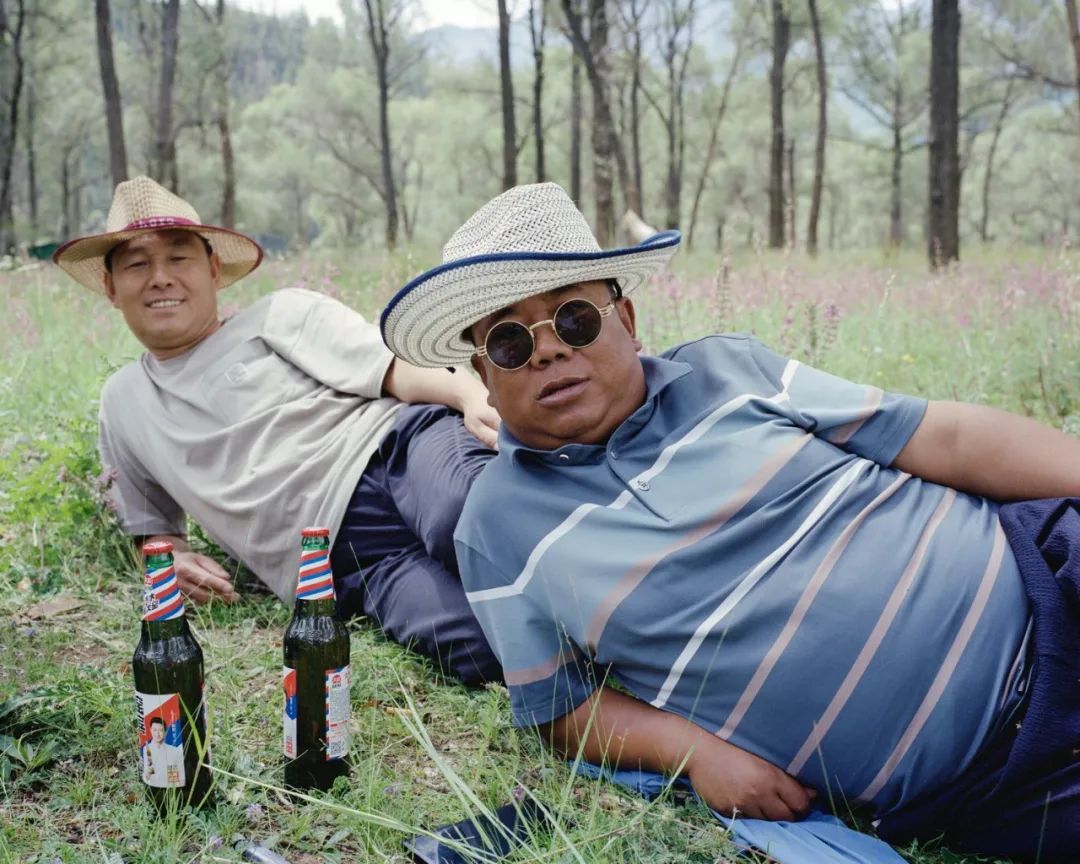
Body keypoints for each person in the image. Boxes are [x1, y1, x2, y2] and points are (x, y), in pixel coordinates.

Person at [380, 182, 1080, 861]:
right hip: (1001, 777)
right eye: (509, 341)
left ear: (627, 321)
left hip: (1048, 576)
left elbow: (942, 438)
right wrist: (692, 753)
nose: (548, 350)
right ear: (484, 373)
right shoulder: (496, 528)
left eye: (574, 319)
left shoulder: (728, 369)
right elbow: (560, 710)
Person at [55, 176, 500, 684]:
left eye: (178, 258)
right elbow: (152, 528)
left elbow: (393, 368)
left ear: (213, 270)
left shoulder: (279, 315)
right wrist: (170, 561)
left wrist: (467, 394)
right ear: (111, 288)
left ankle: (578, 581)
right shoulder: (125, 402)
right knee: (478, 647)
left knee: (465, 516)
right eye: (137, 265)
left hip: (397, 450)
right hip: (348, 561)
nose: (160, 278)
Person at [142, 716, 184, 787]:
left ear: (165, 731)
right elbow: (146, 777)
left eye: (161, 730)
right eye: (155, 730)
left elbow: (181, 776)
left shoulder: (174, 751)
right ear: (150, 730)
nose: (157, 734)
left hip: (171, 788)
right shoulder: (146, 749)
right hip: (154, 787)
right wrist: (147, 773)